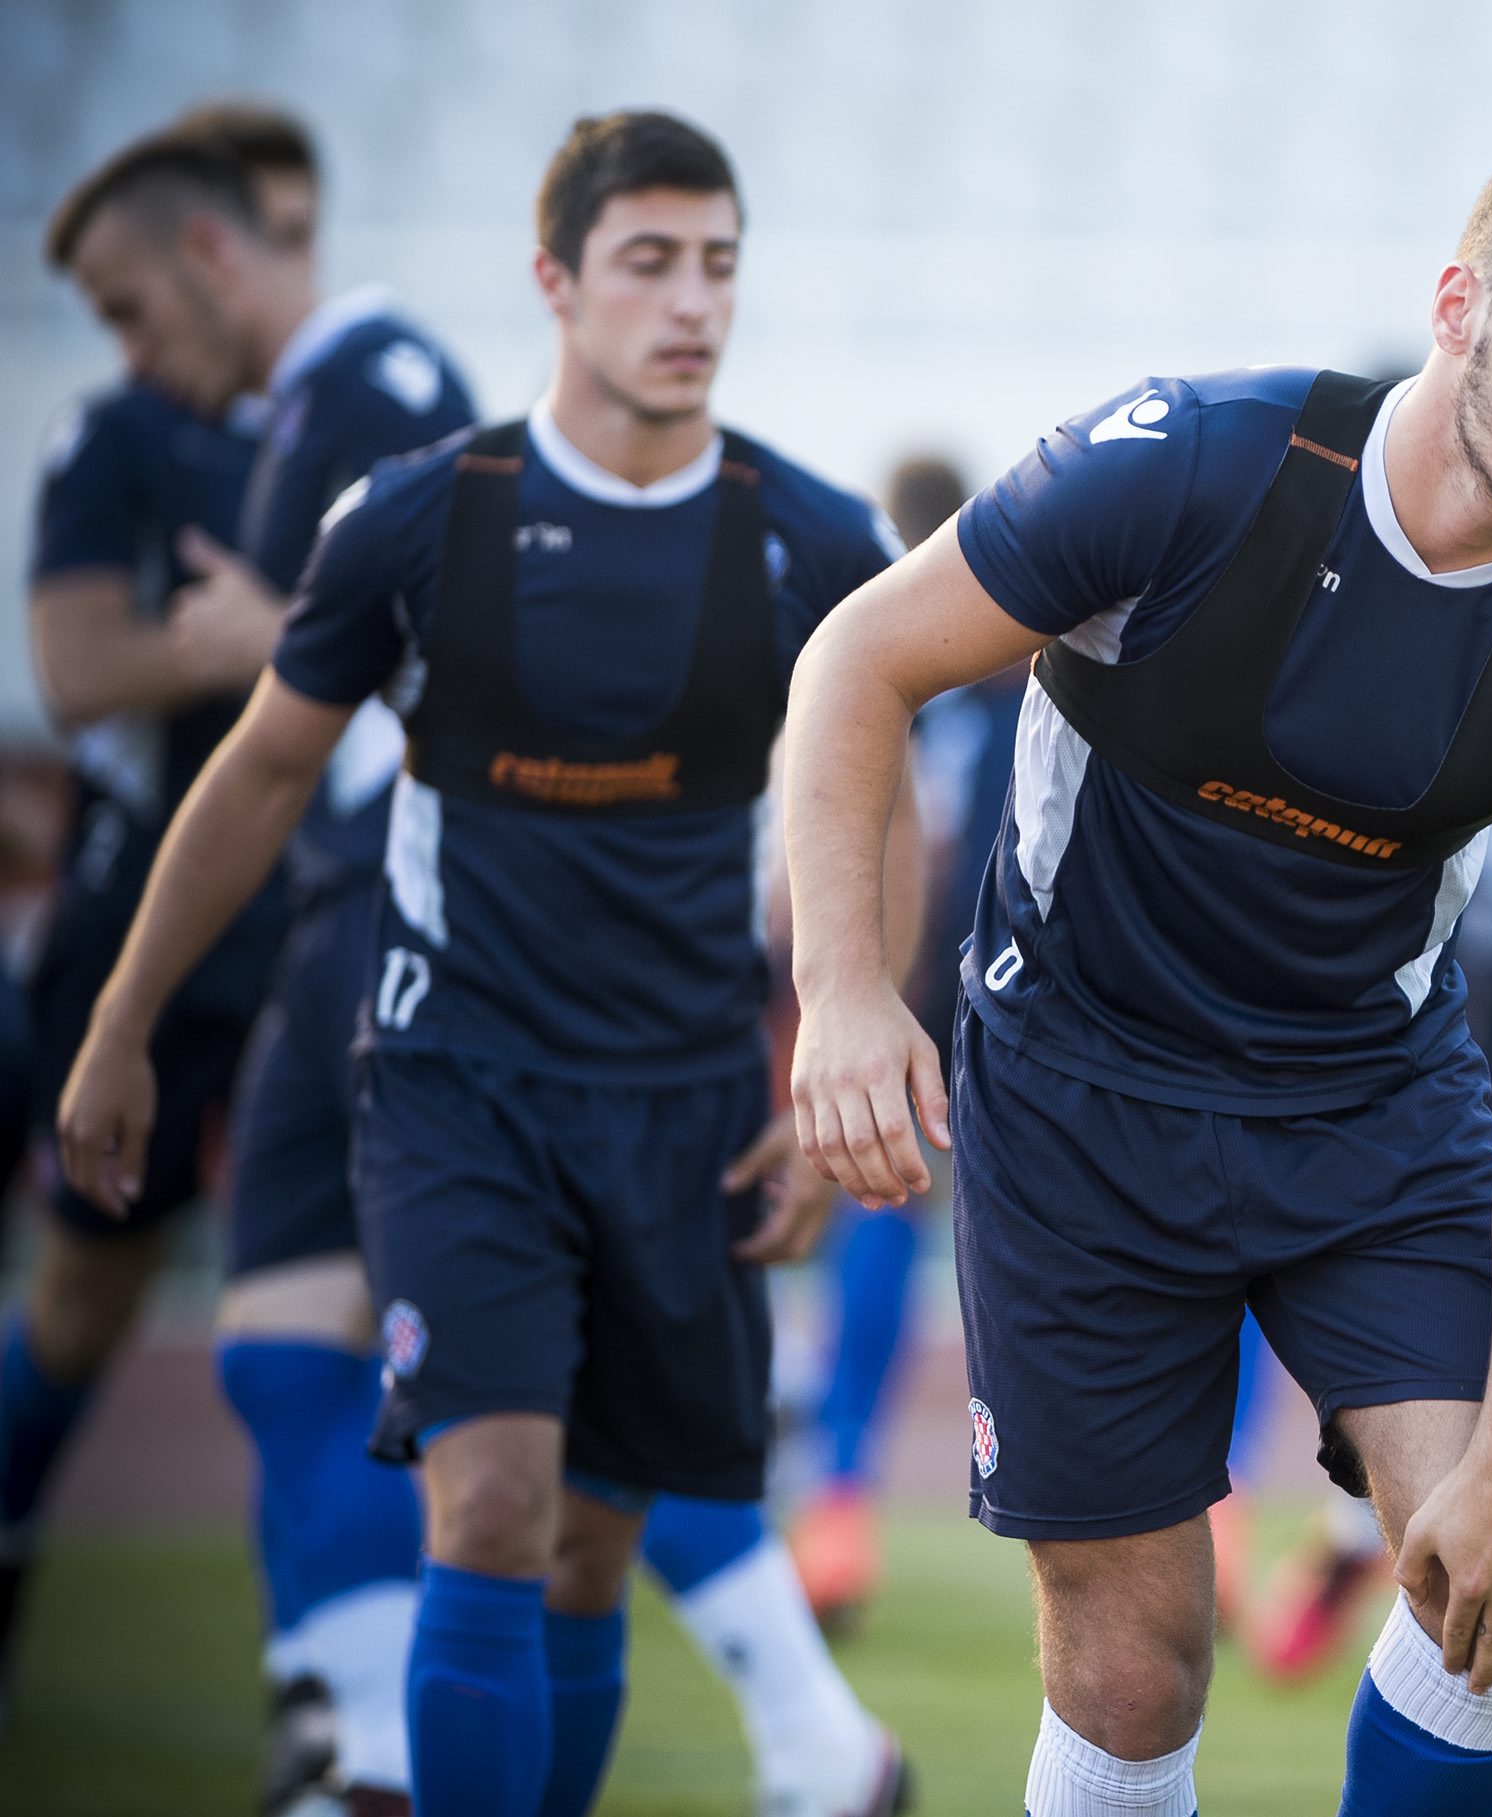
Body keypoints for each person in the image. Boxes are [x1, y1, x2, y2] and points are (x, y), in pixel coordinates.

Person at [780, 128, 1492, 1817]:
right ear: (1459, 310)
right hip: (1075, 1095)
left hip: (1373, 1113)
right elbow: (858, 660)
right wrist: (844, 987)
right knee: (1134, 1675)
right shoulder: (1193, 466)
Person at [58, 111, 915, 1817]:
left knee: (596, 1549)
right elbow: (258, 775)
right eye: (648, 262)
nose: (691, 303)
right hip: (458, 1088)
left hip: (682, 1111)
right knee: (495, 1510)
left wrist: (841, 1027)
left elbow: (879, 797)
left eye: (720, 266)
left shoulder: (810, 540)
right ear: (556, 282)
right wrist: (123, 1016)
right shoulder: (417, 520)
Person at [11, 108, 471, 1813]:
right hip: (279, 919)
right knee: (192, 1329)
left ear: (219, 253)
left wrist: (263, 634)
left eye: (131, 307)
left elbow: (311, 695)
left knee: (346, 1345)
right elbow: (100, 672)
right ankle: (344, 1720)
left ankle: (356, 1731)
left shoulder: (369, 392)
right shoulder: (242, 419)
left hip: (356, 923)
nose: (130, 352)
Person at [787, 454, 1024, 1635]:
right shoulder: (989, 698)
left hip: (913, 1008)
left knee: (875, 1246)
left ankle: (838, 1502)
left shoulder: (922, 691)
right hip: (990, 1015)